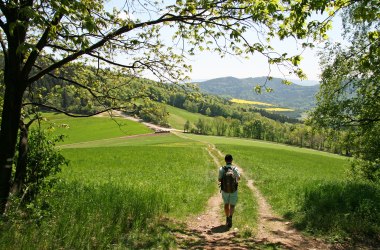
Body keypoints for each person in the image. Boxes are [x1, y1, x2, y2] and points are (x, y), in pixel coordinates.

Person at [218, 154, 240, 228]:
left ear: (225, 160)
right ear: (232, 160)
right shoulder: (235, 169)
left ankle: (227, 218)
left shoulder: (222, 169)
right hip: (234, 190)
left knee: (226, 204)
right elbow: (239, 178)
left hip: (225, 190)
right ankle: (230, 217)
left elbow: (219, 179)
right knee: (232, 205)